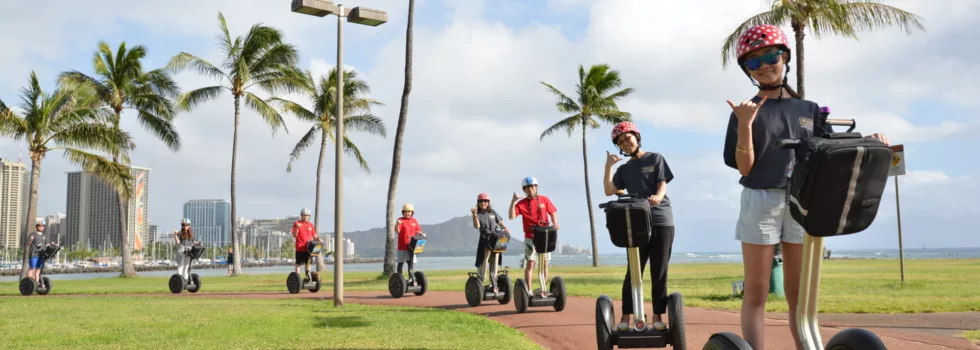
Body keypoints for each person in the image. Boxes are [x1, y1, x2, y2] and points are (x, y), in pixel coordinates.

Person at [722, 24, 890, 350]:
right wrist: (745, 123)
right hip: (761, 198)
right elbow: (745, 167)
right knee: (756, 291)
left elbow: (831, 150)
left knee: (799, 293)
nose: (765, 66)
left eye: (770, 56)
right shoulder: (744, 111)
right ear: (748, 71)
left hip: (803, 198)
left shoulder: (809, 110)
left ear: (784, 57)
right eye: (754, 62)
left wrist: (872, 139)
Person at [603, 121, 676, 332]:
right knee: (633, 271)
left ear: (637, 136)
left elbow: (662, 183)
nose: (626, 143)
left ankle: (657, 316)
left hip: (661, 219)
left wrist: (657, 196)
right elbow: (609, 190)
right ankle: (627, 315)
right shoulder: (625, 169)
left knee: (659, 271)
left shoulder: (655, 158)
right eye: (621, 141)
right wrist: (609, 166)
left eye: (628, 138)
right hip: (636, 223)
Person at [509, 176, 559, 297]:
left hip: (545, 236)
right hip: (530, 237)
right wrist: (513, 201)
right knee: (530, 263)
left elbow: (553, 213)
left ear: (536, 187)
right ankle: (529, 291)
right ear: (524, 190)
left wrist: (555, 223)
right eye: (527, 188)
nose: (530, 189)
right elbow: (511, 216)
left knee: (545, 263)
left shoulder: (544, 200)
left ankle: (544, 289)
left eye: (532, 186)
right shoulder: (522, 203)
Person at [470, 192, 511, 292]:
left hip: (496, 238)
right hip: (485, 240)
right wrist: (474, 215)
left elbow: (499, 222)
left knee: (495, 260)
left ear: (488, 202)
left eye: (485, 201)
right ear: (478, 202)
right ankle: (480, 282)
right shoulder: (478, 214)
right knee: (484, 261)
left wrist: (505, 228)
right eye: (481, 201)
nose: (483, 203)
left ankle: (494, 283)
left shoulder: (492, 212)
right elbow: (477, 226)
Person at [394, 203, 425, 285]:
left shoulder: (414, 221)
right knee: (400, 264)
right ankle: (399, 281)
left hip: (411, 246)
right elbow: (398, 231)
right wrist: (397, 224)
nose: (408, 213)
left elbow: (418, 230)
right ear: (403, 212)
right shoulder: (400, 220)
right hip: (402, 246)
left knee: (410, 264)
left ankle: (411, 280)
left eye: (409, 212)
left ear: (412, 212)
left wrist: (421, 234)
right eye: (406, 211)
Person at [26, 218, 57, 287]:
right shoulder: (33, 234)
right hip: (34, 254)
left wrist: (52, 244)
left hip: (41, 255)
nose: (41, 227)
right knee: (32, 268)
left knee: (38, 270)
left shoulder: (44, 235)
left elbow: (46, 244)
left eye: (42, 226)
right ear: (36, 226)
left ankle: (35, 285)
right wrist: (31, 240)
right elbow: (27, 244)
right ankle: (29, 282)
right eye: (39, 225)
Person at [291, 208, 320, 276]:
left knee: (308, 263)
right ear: (301, 215)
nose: (306, 217)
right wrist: (297, 228)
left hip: (309, 248)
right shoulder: (297, 223)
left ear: (309, 216)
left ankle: (308, 277)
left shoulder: (310, 225)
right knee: (298, 263)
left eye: (307, 215)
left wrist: (318, 239)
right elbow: (294, 235)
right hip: (300, 247)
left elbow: (314, 234)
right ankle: (297, 278)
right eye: (304, 215)